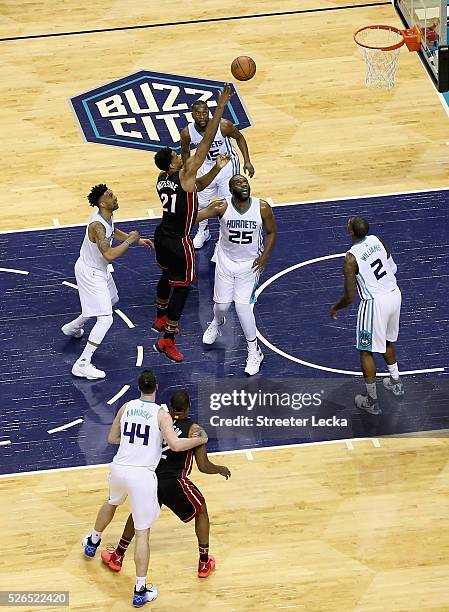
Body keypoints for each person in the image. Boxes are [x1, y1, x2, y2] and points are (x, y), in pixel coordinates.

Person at [81, 370, 208, 608]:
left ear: (138, 387)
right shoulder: (161, 415)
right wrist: (200, 440)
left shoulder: (126, 406)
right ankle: (140, 591)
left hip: (119, 468)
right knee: (142, 533)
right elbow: (176, 444)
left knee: (111, 502)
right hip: (141, 475)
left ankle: (93, 542)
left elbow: (111, 439)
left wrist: (131, 443)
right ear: (156, 387)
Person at [101, 390, 231, 579]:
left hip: (150, 479)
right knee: (201, 511)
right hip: (174, 482)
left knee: (138, 515)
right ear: (189, 407)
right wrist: (219, 468)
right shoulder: (195, 429)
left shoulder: (160, 420)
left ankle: (118, 556)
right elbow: (203, 466)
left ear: (170, 407)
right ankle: (204, 562)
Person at [152, 84, 234, 363]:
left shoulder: (163, 178)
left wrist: (217, 169)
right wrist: (220, 106)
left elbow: (196, 185)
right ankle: (168, 340)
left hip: (163, 233)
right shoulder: (183, 171)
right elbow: (207, 142)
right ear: (174, 163)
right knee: (183, 287)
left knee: (165, 275)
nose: (180, 155)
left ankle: (160, 317)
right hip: (178, 240)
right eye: (176, 156)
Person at [61, 184, 153, 380]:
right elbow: (110, 254)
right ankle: (83, 363)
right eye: (110, 195)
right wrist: (129, 242)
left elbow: (113, 231)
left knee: (112, 299)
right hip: (91, 272)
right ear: (102, 203)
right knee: (106, 319)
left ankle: (74, 327)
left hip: (98, 269)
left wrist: (134, 239)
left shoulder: (107, 216)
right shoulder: (97, 226)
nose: (114, 197)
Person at [196, 174, 276, 375]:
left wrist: (265, 257)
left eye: (245, 182)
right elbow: (193, 217)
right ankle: (216, 323)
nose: (244, 185)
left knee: (242, 308)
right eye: (238, 183)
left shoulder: (262, 207)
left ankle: (254, 351)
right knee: (221, 306)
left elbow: (272, 232)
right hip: (225, 261)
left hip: (249, 265)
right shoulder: (220, 207)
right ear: (231, 190)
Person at [330, 216, 404, 415]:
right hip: (394, 294)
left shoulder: (350, 258)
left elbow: (350, 296)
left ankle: (372, 401)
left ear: (351, 231)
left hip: (375, 304)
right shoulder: (377, 240)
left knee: (365, 350)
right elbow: (393, 267)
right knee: (387, 340)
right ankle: (396, 382)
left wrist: (336, 307)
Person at [180, 98, 255, 250]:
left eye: (205, 113)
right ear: (192, 115)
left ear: (209, 112)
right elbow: (185, 151)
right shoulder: (188, 133)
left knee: (226, 203)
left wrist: (247, 161)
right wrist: (188, 172)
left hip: (227, 166)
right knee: (199, 202)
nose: (202, 116)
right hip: (206, 167)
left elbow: (239, 137)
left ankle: (223, 238)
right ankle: (203, 231)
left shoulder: (223, 125)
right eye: (198, 114)